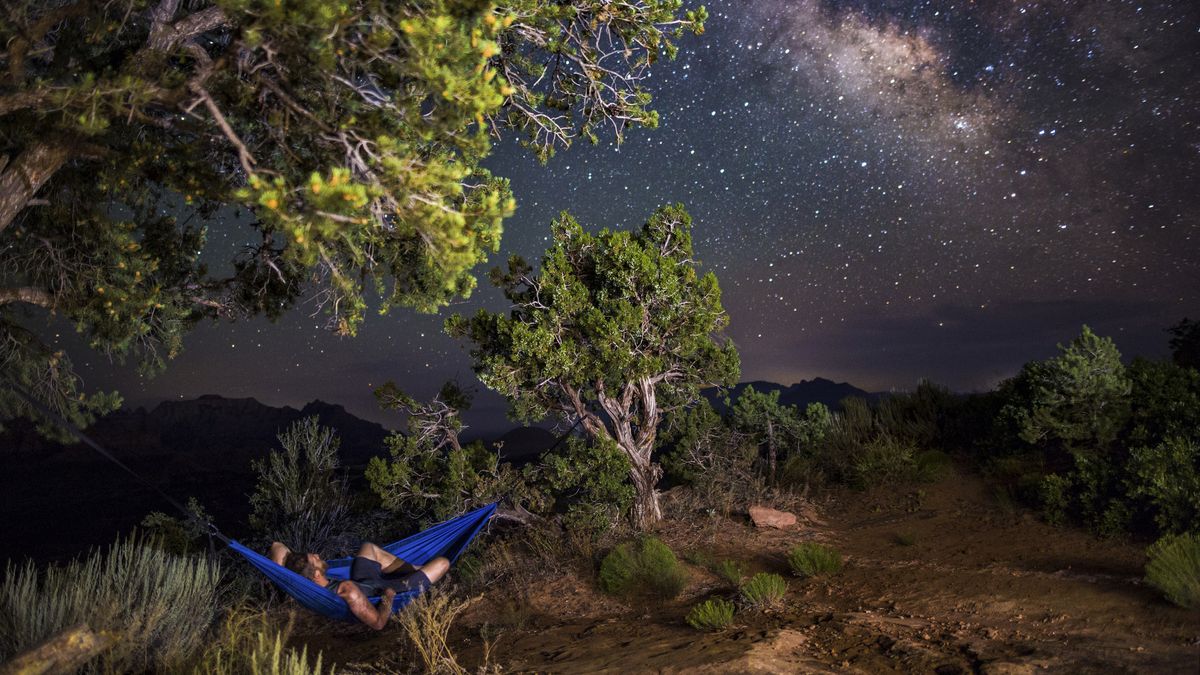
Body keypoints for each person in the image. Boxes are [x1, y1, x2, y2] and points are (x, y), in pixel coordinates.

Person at [269, 540, 450, 629]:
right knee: (443, 562)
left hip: (365, 581)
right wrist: (389, 596)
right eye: (315, 559)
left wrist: (290, 563)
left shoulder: (305, 582)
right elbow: (378, 623)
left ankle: (418, 569)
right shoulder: (348, 590)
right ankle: (418, 572)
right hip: (387, 590)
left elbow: (276, 546)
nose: (317, 555)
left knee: (368, 547)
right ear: (316, 574)